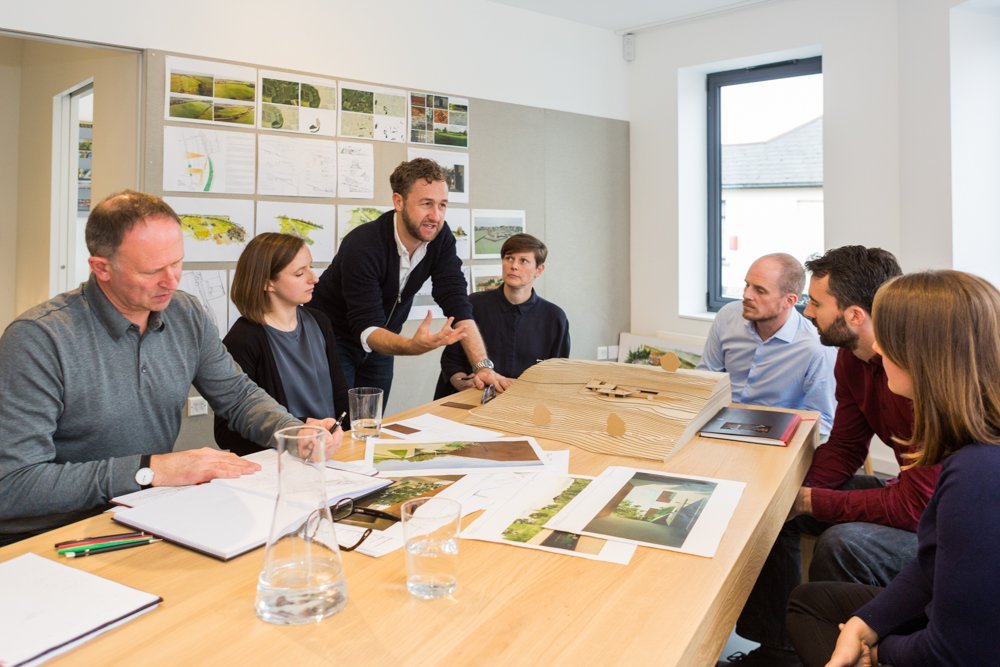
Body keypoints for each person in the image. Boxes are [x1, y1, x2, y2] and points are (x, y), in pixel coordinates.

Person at [0, 191, 339, 545]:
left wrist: (292, 431)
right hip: (54, 536)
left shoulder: (185, 313)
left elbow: (237, 396)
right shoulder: (39, 340)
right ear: (101, 268)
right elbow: (13, 483)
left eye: (177, 263)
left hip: (144, 514)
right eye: (152, 271)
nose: (172, 281)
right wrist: (151, 469)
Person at [729, 246, 939, 666]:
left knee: (843, 542)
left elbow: (917, 508)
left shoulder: (921, 377)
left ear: (855, 315)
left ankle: (834, 649)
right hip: (914, 495)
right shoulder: (851, 358)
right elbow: (844, 445)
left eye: (817, 303)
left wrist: (810, 501)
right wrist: (799, 494)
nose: (807, 312)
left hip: (937, 518)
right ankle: (780, 647)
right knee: (777, 512)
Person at [786, 270, 1000, 667]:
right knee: (808, 602)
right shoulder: (970, 444)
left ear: (925, 355)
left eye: (889, 337)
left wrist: (879, 649)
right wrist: (865, 624)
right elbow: (932, 563)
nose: (878, 348)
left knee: (841, 544)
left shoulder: (977, 472)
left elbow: (955, 651)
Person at [311, 158, 510, 403]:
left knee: (371, 421)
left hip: (383, 342)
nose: (436, 216)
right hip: (334, 340)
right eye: (427, 204)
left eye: (442, 205)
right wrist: (412, 346)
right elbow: (366, 325)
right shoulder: (363, 244)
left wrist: (482, 367)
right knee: (340, 425)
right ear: (399, 201)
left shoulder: (441, 237)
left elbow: (456, 300)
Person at [215, 233, 349, 456]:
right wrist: (300, 430)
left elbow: (339, 393)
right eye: (299, 273)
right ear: (268, 282)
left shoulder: (320, 322)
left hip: (327, 453)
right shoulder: (243, 339)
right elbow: (225, 432)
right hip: (276, 462)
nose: (314, 278)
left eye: (310, 267)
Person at [698, 253, 836, 437]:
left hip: (774, 436)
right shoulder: (728, 316)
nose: (746, 295)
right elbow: (705, 378)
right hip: (716, 423)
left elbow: (823, 422)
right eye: (747, 285)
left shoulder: (816, 349)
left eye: (760, 290)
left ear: (790, 301)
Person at [433, 233, 570, 399]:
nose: (514, 266)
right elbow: (451, 363)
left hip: (523, 405)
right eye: (509, 258)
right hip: (471, 399)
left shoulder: (554, 317)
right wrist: (469, 384)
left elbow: (556, 376)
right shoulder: (473, 305)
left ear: (539, 270)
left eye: (523, 261)